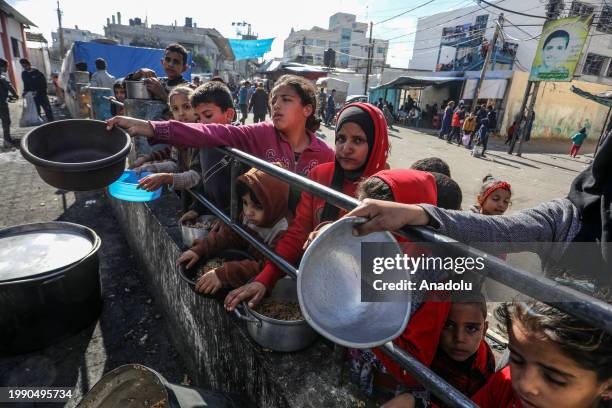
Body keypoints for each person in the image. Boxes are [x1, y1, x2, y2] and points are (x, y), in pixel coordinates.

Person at [347, 131, 612, 285]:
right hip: (539, 356)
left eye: (504, 201)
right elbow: (502, 231)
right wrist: (418, 213)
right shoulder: (568, 217)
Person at [223, 102, 390, 311]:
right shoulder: (320, 176)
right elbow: (298, 232)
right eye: (341, 138)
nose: (346, 148)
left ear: (376, 144)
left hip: (360, 297)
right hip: (315, 280)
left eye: (358, 140)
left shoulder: (385, 190)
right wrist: (264, 279)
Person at [107, 74, 335, 206]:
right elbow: (209, 132)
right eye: (273, 100)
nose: (276, 105)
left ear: (307, 109)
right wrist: (148, 127)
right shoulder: (260, 133)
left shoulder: (325, 153)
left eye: (285, 99)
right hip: (260, 230)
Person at [384, 299, 612, 408]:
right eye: (517, 359)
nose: (525, 385)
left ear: (607, 386)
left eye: (555, 378)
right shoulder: (505, 381)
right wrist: (415, 404)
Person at [176, 166, 291, 294]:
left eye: (257, 207)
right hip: (246, 263)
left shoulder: (283, 231)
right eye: (245, 203)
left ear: (274, 204)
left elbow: (267, 269)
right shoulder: (248, 217)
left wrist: (225, 274)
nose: (248, 212)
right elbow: (229, 234)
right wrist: (200, 249)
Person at [379, 295, 495, 407]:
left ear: (484, 330)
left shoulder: (486, 360)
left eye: (471, 328)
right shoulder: (427, 359)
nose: (459, 338)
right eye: (448, 325)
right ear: (439, 324)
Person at [135, 86, 201, 193]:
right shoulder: (177, 135)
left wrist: (166, 178)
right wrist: (151, 168)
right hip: (189, 193)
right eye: (175, 109)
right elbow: (175, 163)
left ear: (197, 109)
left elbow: (196, 176)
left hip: (203, 197)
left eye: (187, 107)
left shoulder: (202, 135)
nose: (181, 113)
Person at [19, 58, 53, 122]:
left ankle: (52, 124)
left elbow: (44, 84)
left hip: (42, 95)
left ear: (29, 64)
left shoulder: (37, 73)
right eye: (23, 66)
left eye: (25, 66)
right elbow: (26, 84)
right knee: (36, 113)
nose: (25, 68)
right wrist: (24, 91)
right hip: (33, 97)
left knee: (48, 110)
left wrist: (37, 91)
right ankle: (40, 127)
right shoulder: (24, 74)